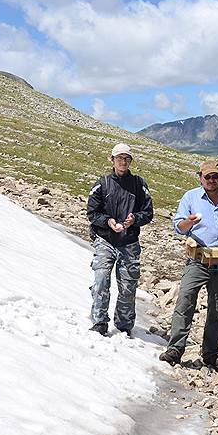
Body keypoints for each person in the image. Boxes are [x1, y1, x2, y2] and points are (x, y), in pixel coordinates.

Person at [159, 161, 218, 368]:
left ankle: (211, 354)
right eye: (208, 177)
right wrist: (189, 223)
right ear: (200, 178)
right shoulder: (191, 197)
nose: (212, 181)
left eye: (216, 177)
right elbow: (178, 226)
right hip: (198, 259)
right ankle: (175, 348)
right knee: (185, 299)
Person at [86, 143, 153, 337]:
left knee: (128, 285)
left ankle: (124, 325)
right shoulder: (102, 183)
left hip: (129, 242)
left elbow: (148, 212)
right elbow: (92, 212)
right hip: (105, 239)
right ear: (112, 159)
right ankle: (99, 321)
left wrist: (135, 219)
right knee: (101, 279)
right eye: (119, 158)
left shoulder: (139, 184)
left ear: (130, 161)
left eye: (127, 158)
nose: (123, 162)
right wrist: (107, 221)